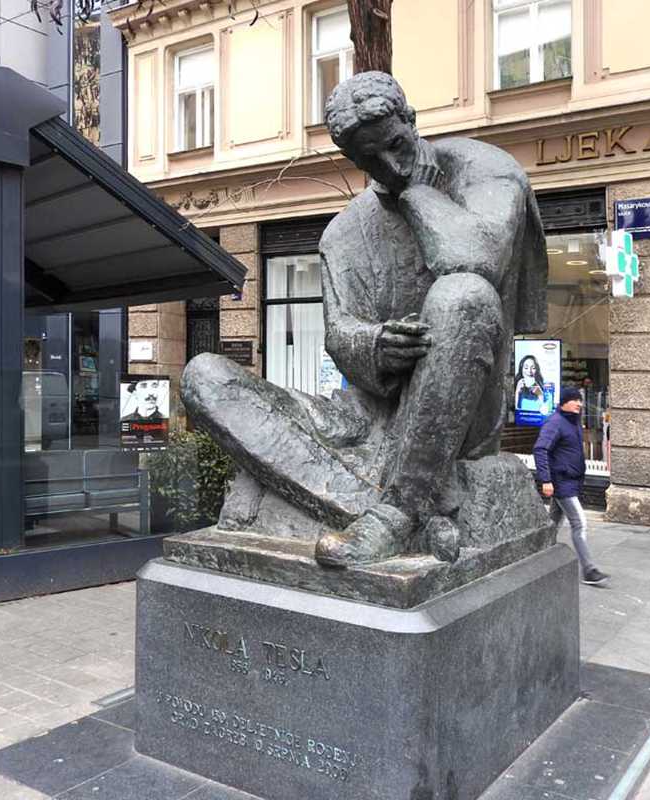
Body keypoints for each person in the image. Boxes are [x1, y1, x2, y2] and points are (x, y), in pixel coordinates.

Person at [181, 71, 550, 567]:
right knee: (204, 377)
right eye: (369, 160)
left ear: (412, 121)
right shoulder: (344, 233)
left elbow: (475, 258)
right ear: (352, 160)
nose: (390, 166)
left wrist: (415, 192)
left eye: (396, 145)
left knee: (463, 295)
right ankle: (407, 505)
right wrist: (375, 346)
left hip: (461, 415)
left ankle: (395, 514)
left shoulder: (484, 170)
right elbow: (340, 333)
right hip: (363, 418)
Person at [533, 386, 609, 586]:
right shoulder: (555, 423)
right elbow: (540, 449)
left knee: (552, 524)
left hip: (571, 481)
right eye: (575, 400)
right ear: (565, 402)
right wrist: (546, 480)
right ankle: (589, 570)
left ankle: (536, 557)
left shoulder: (573, 422)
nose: (579, 403)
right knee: (579, 523)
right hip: (561, 482)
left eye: (580, 400)